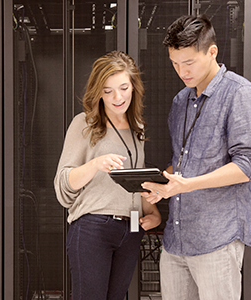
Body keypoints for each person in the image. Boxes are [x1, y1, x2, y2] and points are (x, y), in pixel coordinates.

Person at [140, 15, 251, 300]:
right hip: (175, 242)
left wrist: (188, 184)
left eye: (189, 63)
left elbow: (249, 164)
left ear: (212, 52)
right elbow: (183, 163)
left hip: (218, 239)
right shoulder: (180, 101)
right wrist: (162, 186)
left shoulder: (241, 94)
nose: (181, 71)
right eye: (175, 63)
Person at [54, 50, 161, 300]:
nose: (117, 97)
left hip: (131, 229)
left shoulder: (138, 128)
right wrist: (95, 164)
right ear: (98, 92)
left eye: (123, 87)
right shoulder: (84, 123)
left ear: (133, 86)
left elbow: (135, 183)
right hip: (93, 228)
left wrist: (152, 213)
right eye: (107, 90)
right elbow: (62, 184)